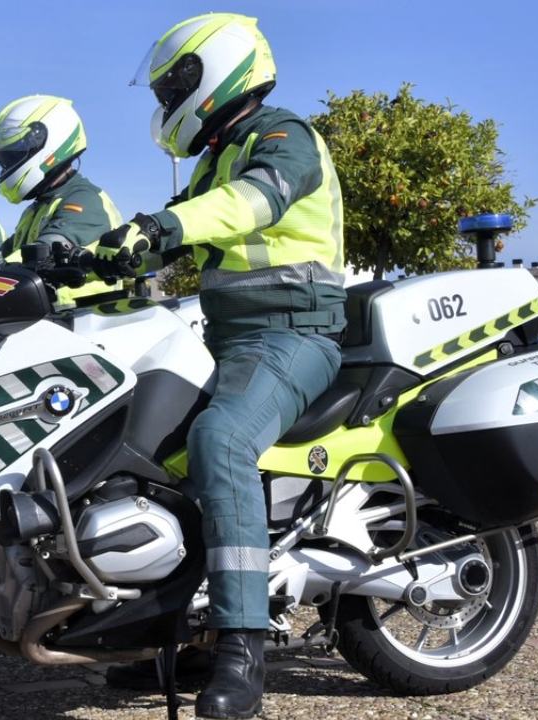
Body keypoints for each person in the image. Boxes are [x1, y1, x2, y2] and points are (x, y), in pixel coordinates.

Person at [94, 14, 346, 719]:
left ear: (219, 70)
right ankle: (179, 630)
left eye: (175, 81)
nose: (166, 96)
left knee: (221, 441)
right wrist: (93, 260)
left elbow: (253, 201)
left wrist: (166, 226)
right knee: (146, 446)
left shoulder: (283, 136)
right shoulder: (214, 159)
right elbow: (175, 228)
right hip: (231, 338)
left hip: (294, 333)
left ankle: (241, 646)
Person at [0, 94, 124, 304]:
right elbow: (0, 256)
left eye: (12, 158)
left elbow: (47, 250)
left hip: (78, 320)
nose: (7, 168)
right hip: (43, 319)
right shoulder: (38, 208)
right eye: (4, 162)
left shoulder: (85, 199)